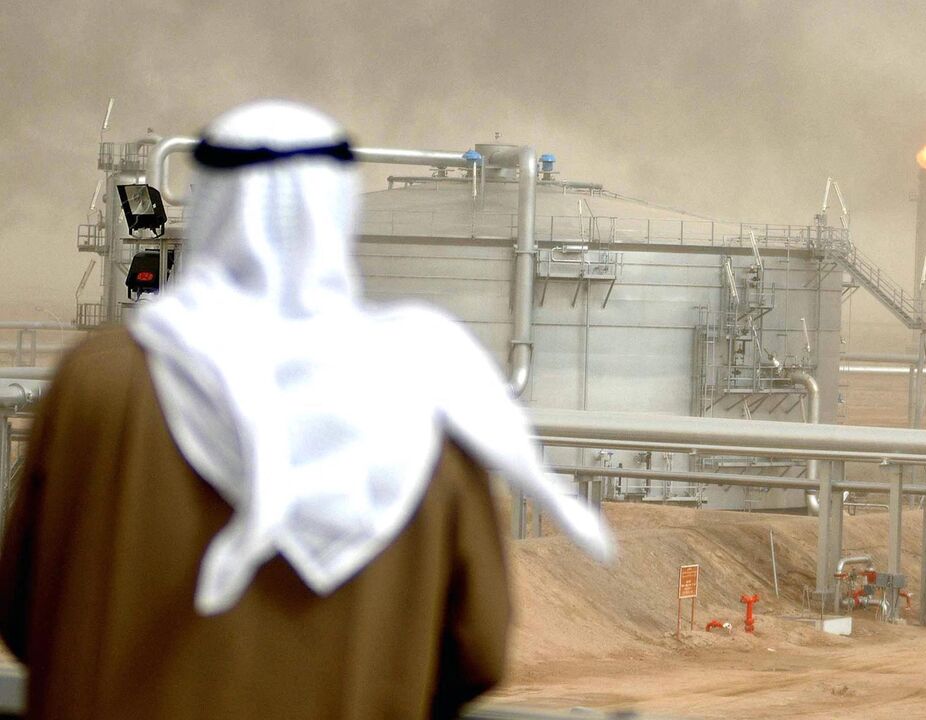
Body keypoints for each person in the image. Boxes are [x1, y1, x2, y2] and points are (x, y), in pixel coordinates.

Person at [0, 100, 612, 719]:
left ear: (209, 201)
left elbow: (22, 611)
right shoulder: (426, 391)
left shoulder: (98, 381)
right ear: (338, 211)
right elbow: (477, 652)